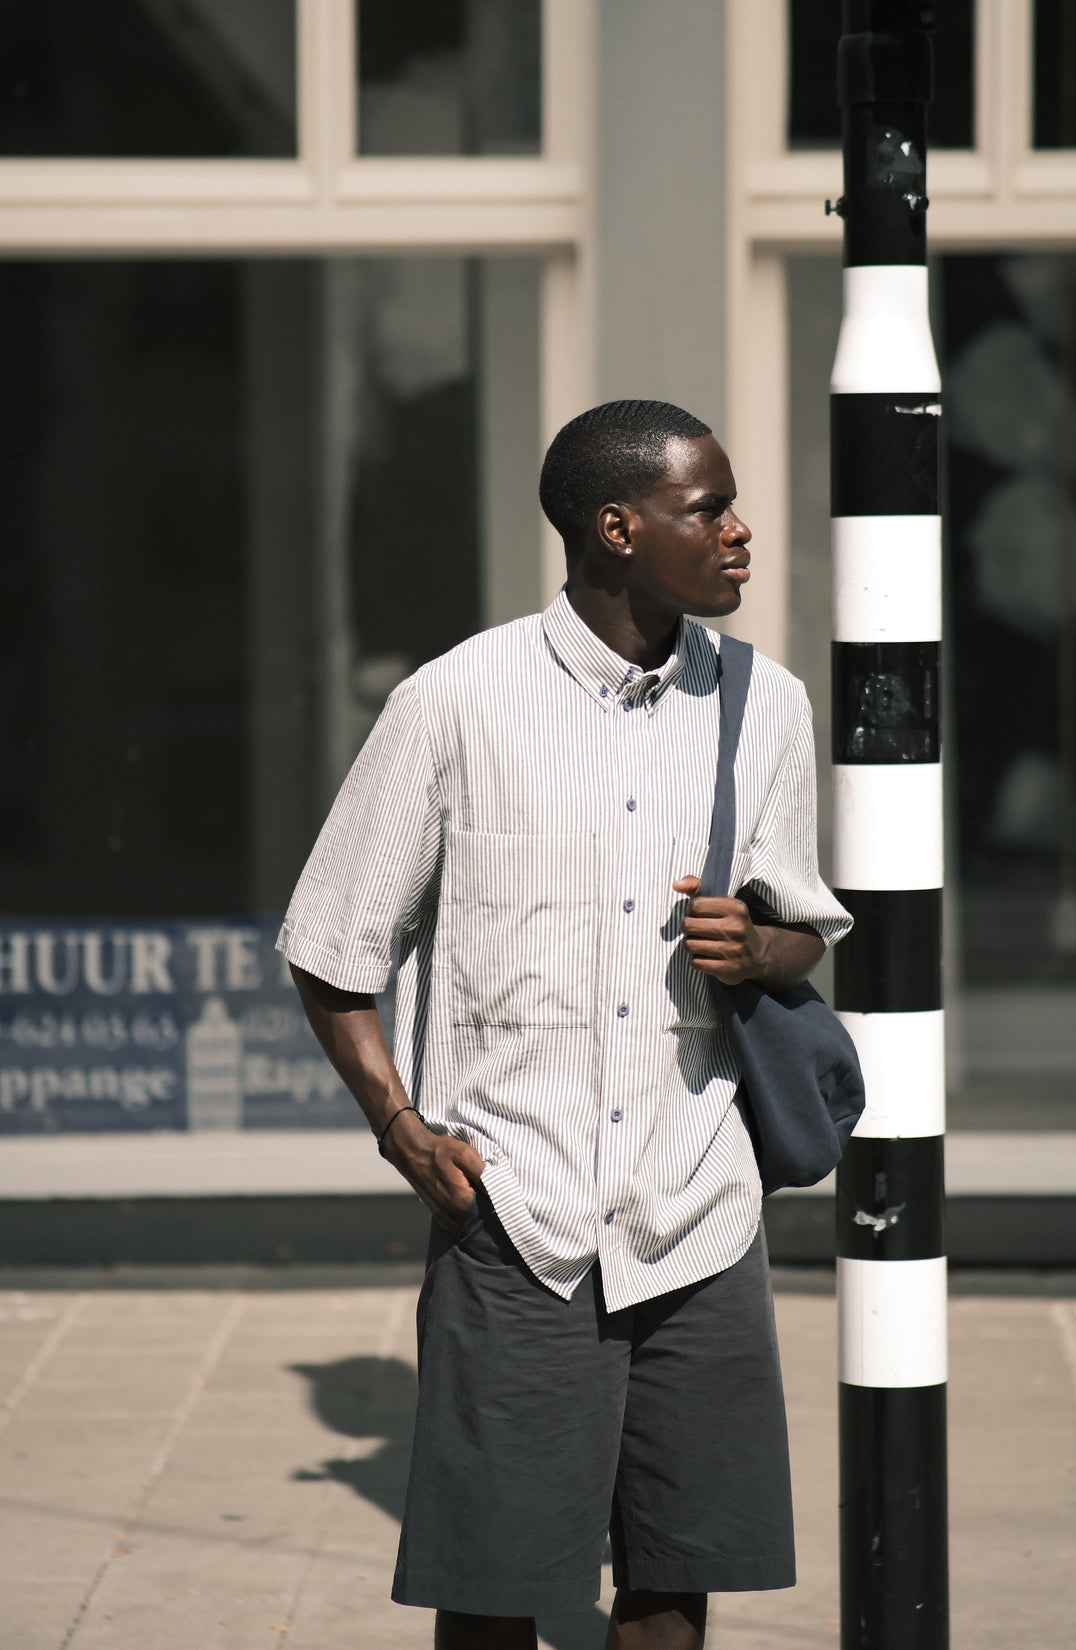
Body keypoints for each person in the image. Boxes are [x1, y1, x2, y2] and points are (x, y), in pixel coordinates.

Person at [278, 400, 852, 1650]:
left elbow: (805, 922)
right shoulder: (455, 703)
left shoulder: (764, 706)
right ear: (617, 529)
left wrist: (758, 946)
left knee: (668, 1593)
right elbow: (329, 948)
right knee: (495, 1594)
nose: (740, 533)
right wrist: (398, 1127)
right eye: (708, 509)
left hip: (694, 1211)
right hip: (515, 1218)